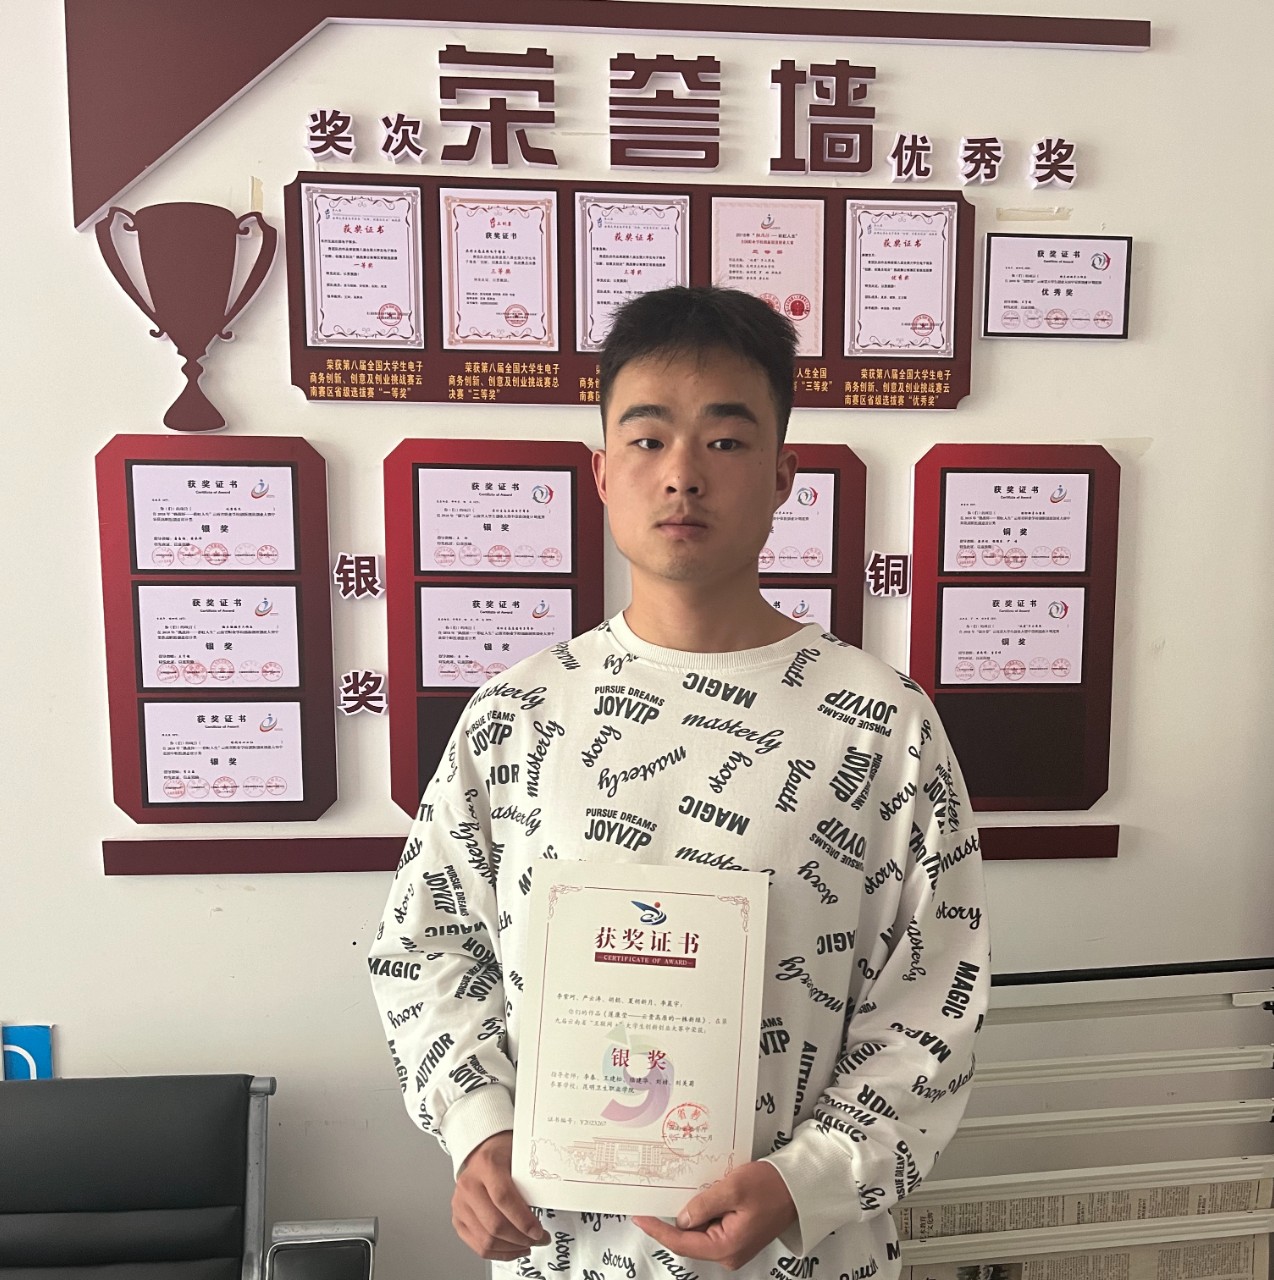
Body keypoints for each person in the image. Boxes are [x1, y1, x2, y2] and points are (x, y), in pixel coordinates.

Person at [369, 285, 990, 1280]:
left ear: (783, 475)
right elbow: (428, 945)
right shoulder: (516, 715)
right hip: (563, 1251)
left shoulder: (879, 724)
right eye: (648, 439)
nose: (682, 475)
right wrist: (477, 1126)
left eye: (726, 441)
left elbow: (931, 1002)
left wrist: (804, 1181)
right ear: (601, 471)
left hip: (803, 1260)